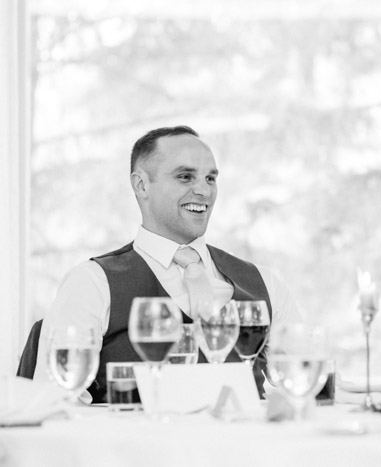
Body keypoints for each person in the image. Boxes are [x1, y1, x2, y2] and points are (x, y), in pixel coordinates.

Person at [34, 125, 302, 402]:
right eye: (185, 177)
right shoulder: (93, 283)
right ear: (141, 185)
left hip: (244, 444)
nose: (203, 191)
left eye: (210, 178)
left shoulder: (265, 283)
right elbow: (51, 403)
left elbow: (306, 388)